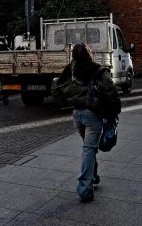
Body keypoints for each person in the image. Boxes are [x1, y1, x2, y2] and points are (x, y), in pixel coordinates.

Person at [52, 43, 121, 204]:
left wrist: (65, 102)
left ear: (74, 55)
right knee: (89, 150)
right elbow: (110, 90)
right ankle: (85, 190)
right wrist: (115, 111)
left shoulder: (70, 69)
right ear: (89, 53)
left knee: (89, 148)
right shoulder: (97, 69)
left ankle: (93, 176)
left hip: (77, 115)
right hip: (92, 115)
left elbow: (55, 88)